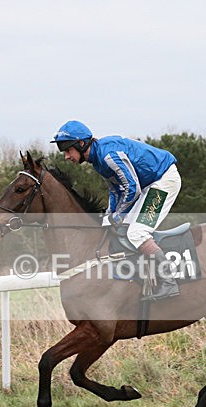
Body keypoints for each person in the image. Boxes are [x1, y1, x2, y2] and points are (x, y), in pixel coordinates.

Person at [51, 120, 182, 300]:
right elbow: (115, 190)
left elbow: (132, 188)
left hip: (164, 180)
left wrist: (117, 215)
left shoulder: (107, 156)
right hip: (148, 184)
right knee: (122, 229)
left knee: (137, 232)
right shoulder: (97, 160)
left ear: (81, 144)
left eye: (68, 150)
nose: (66, 156)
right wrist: (110, 216)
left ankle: (168, 281)